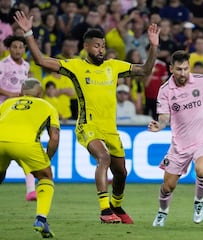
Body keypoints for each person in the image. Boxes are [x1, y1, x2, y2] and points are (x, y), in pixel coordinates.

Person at [14, 10, 160, 224]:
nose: (101, 50)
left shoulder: (114, 66)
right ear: (86, 47)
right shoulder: (76, 66)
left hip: (110, 128)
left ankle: (116, 206)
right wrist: (28, 33)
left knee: (121, 172)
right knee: (104, 158)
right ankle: (104, 210)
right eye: (96, 46)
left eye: (103, 46)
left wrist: (154, 45)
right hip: (87, 126)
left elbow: (146, 69)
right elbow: (40, 60)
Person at [148, 50, 203, 227]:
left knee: (201, 170)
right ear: (171, 69)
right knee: (167, 186)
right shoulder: (165, 90)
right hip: (179, 145)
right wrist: (159, 126)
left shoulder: (202, 80)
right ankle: (162, 211)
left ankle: (199, 202)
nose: (183, 73)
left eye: (185, 69)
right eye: (179, 69)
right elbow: (164, 118)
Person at [0, 78, 60, 238]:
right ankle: (41, 219)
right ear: (40, 93)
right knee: (46, 177)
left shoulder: (7, 103)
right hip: (26, 144)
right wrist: (48, 159)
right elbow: (54, 137)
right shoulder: (47, 106)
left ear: (21, 92)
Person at [0, 34, 38, 201]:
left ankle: (31, 190)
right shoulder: (3, 65)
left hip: (20, 112)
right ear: (9, 48)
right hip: (4, 111)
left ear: (25, 49)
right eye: (14, 47)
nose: (17, 50)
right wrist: (12, 95)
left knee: (27, 146)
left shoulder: (26, 65)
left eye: (21, 47)